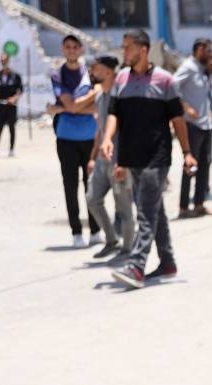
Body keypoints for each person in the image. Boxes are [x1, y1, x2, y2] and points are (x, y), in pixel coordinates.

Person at [103, 29, 197, 290]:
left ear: (143, 50)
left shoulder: (165, 80)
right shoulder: (121, 78)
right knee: (156, 210)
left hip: (157, 156)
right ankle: (167, 262)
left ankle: (136, 266)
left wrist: (187, 152)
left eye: (127, 47)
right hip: (131, 156)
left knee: (145, 212)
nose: (124, 52)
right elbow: (114, 114)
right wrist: (108, 139)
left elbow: (178, 119)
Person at [49, 34, 101, 249]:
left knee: (91, 185)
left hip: (90, 137)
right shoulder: (57, 75)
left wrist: (63, 108)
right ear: (63, 50)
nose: (71, 50)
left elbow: (98, 106)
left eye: (75, 47)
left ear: (80, 49)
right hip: (66, 138)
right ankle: (76, 231)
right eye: (67, 47)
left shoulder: (91, 74)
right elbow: (70, 105)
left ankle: (96, 229)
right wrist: (72, 107)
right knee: (70, 186)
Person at [86, 55, 135, 259]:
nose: (92, 73)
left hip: (119, 159)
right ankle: (111, 240)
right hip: (102, 160)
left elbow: (130, 131)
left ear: (107, 71)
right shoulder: (99, 97)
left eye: (96, 69)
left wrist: (124, 161)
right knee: (92, 199)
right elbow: (101, 130)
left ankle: (128, 248)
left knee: (123, 207)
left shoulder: (123, 97)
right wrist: (93, 156)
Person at [173, 38, 212, 219]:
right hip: (192, 125)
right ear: (199, 49)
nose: (210, 54)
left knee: (204, 164)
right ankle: (183, 207)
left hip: (206, 124)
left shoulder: (201, 69)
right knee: (191, 165)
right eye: (208, 50)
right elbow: (173, 85)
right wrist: (185, 107)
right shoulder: (188, 67)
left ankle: (199, 204)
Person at [0, 53, 23, 158]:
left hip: (11, 107)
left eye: (5, 60)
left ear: (8, 61)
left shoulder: (15, 75)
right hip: (1, 106)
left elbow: (20, 90)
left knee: (11, 128)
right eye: (1, 60)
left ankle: (12, 149)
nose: (3, 62)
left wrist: (14, 98)